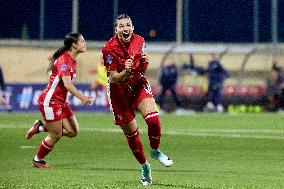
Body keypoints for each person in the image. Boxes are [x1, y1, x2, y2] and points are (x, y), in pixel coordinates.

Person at [102, 14, 173, 186]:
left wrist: (144, 63)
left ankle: (155, 151)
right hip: (118, 93)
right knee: (132, 135)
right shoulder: (108, 49)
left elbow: (142, 68)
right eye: (121, 26)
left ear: (132, 28)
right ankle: (145, 167)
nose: (125, 28)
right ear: (116, 30)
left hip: (137, 85)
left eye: (128, 25)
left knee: (153, 120)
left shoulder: (140, 41)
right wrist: (125, 71)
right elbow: (113, 78)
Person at [25, 33, 92, 168]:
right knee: (56, 135)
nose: (85, 43)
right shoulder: (64, 60)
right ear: (74, 44)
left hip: (61, 102)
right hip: (50, 102)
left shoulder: (73, 60)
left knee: (74, 132)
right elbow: (67, 84)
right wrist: (82, 97)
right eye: (82, 41)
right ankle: (37, 160)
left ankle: (40, 127)